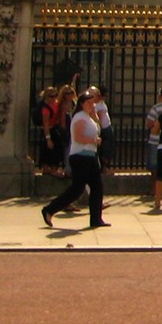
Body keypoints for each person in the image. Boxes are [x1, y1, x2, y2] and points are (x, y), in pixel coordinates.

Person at [42, 88, 110, 230]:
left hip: (90, 156)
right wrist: (93, 140)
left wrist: (94, 114)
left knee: (97, 187)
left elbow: (98, 126)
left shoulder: (88, 116)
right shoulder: (79, 117)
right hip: (80, 156)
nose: (92, 105)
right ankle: (49, 209)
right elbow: (78, 137)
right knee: (77, 189)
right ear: (81, 104)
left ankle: (96, 218)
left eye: (93, 102)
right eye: (89, 103)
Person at [145, 83, 162, 175]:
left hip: (155, 140)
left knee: (154, 167)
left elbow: (149, 124)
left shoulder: (156, 108)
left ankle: (155, 184)